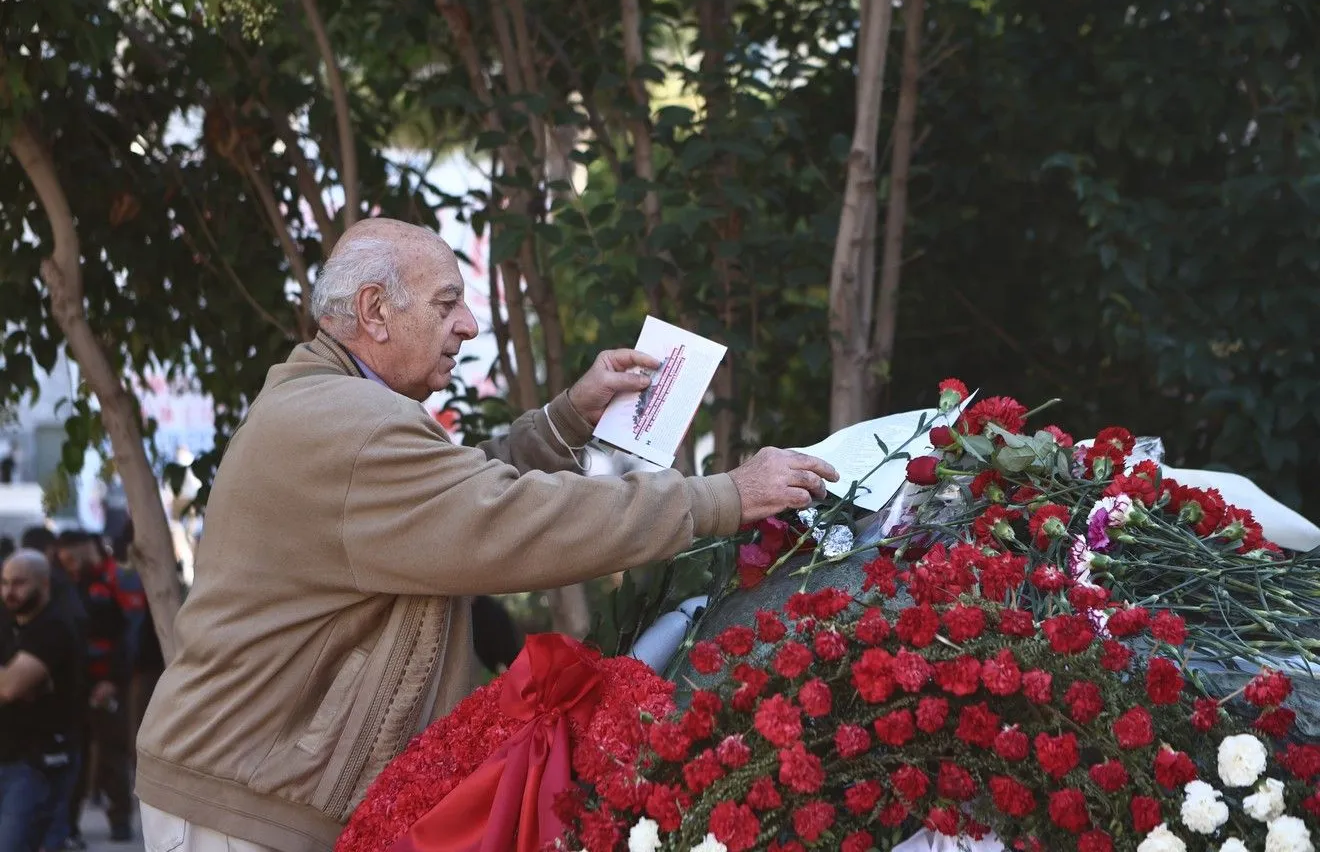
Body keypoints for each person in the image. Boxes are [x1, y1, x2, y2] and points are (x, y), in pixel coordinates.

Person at [135, 217, 838, 852]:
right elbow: (507, 521)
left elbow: (445, 500)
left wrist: (568, 420)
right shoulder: (352, 425)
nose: (469, 325)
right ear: (376, 312)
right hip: (242, 810)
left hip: (247, 791)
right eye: (447, 304)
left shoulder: (335, 407)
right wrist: (724, 496)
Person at [56, 531, 139, 843]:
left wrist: (112, 681)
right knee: (73, 757)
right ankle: (68, 825)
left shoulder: (116, 579)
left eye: (71, 555)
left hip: (106, 682)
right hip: (74, 685)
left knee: (111, 755)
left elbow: (129, 634)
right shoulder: (66, 583)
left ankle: (120, 820)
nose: (68, 563)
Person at [0, 550, 84, 852]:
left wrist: (12, 678)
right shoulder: (9, 626)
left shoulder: (54, 627)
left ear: (43, 583)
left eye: (19, 583)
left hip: (37, 762)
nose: (9, 591)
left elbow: (9, 687)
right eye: (5, 582)